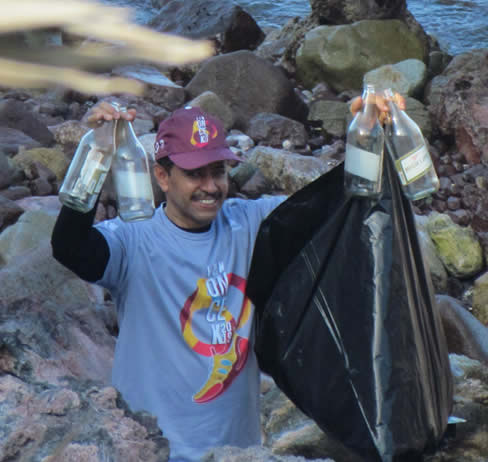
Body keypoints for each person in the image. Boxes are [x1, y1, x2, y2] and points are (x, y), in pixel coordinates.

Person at [51, 93, 405, 461]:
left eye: (217, 171)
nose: (210, 186)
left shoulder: (250, 224)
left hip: (238, 451)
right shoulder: (132, 239)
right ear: (162, 176)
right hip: (151, 448)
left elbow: (341, 208)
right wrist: (97, 154)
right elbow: (69, 247)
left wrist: (371, 135)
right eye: (194, 173)